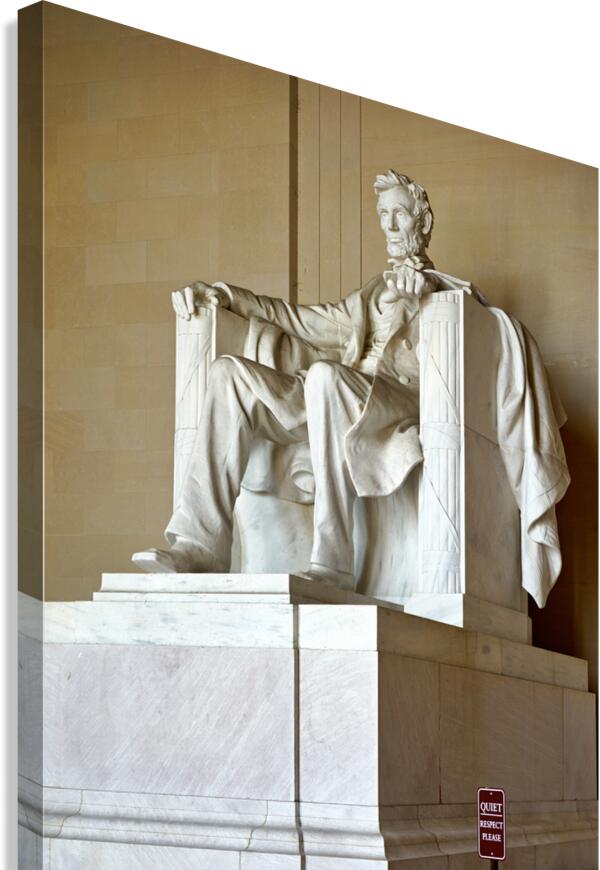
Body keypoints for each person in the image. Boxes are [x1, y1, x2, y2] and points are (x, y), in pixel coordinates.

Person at [133, 171, 569, 606]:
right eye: (383, 215)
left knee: (325, 376)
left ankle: (333, 559)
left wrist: (427, 295)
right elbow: (296, 318)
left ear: (424, 222)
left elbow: (475, 336)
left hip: (395, 404)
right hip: (331, 397)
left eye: (400, 213)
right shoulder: (368, 296)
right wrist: (226, 296)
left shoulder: (448, 294)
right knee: (228, 374)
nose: (391, 225)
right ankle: (201, 545)